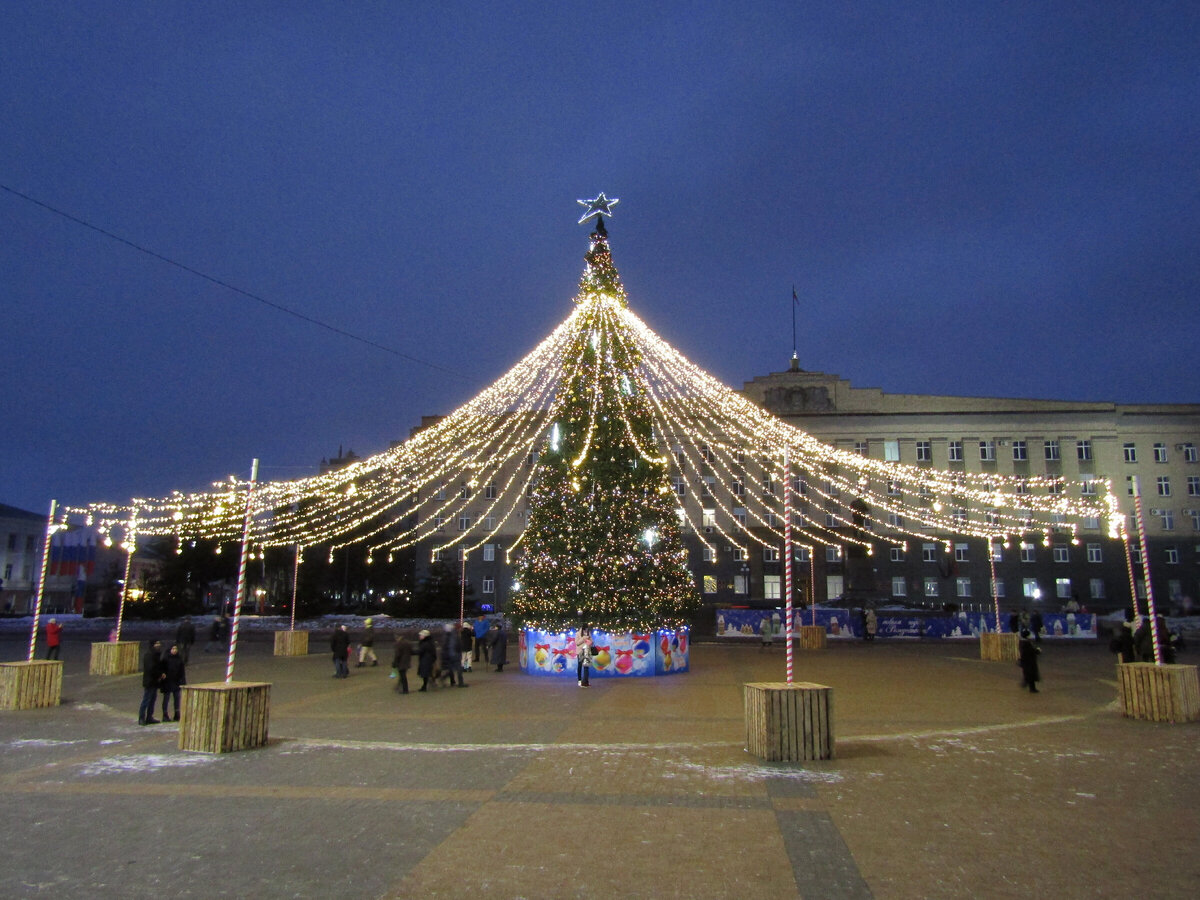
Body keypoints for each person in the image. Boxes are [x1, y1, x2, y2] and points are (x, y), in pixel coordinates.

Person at [160, 643, 186, 722]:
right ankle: (165, 714)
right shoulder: (165, 659)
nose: (174, 650)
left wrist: (183, 681)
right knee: (166, 698)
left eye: (175, 649)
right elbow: (162, 670)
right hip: (167, 681)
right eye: (173, 649)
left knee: (177, 698)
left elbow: (182, 671)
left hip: (176, 681)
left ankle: (177, 713)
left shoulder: (179, 659)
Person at [139, 640, 163, 725]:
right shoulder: (149, 655)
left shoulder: (156, 654)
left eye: (159, 643)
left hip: (154, 681)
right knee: (146, 700)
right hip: (150, 681)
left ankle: (149, 717)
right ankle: (142, 718)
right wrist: (159, 674)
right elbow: (151, 668)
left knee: (152, 700)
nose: (158, 645)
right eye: (156, 643)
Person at [440, 622, 466, 687]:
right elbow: (455, 644)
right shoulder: (455, 635)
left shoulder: (452, 634)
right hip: (455, 654)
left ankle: (444, 678)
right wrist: (457, 651)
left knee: (451, 669)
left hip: (451, 654)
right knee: (459, 669)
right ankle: (461, 683)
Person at [1018, 628, 1041, 693]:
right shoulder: (1026, 643)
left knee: (1029, 675)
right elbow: (1030, 651)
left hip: (1027, 662)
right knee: (1030, 675)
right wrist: (1037, 651)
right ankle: (1031, 687)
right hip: (1029, 662)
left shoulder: (1023, 642)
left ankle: (1029, 685)